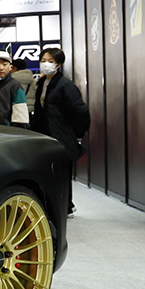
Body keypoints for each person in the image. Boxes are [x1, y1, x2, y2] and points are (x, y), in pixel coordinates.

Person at [30, 47, 89, 215]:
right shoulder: (41, 83)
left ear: (59, 64)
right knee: (49, 174)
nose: (46, 64)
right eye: (43, 61)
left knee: (62, 175)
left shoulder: (65, 85)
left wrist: (77, 135)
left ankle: (66, 207)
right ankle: (53, 207)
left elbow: (80, 112)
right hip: (46, 137)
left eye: (51, 61)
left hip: (63, 138)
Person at [0, 50, 29, 128]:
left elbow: (21, 114)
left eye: (4, 64)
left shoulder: (15, 85)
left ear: (10, 67)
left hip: (6, 130)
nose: (1, 68)